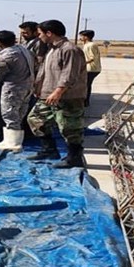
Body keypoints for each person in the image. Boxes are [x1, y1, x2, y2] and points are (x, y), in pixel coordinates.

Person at [26, 19, 88, 168]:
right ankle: (49, 150)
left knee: (70, 128)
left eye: (40, 34)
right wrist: (39, 88)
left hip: (67, 97)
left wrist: (58, 91)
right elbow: (45, 71)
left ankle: (74, 158)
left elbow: (69, 74)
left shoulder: (69, 50)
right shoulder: (51, 49)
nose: (39, 37)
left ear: (49, 33)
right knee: (35, 119)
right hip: (48, 95)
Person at [78, 29, 102, 107]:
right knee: (87, 85)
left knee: (86, 85)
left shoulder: (91, 45)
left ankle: (85, 101)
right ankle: (85, 101)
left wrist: (82, 63)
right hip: (89, 69)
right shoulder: (87, 45)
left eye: (81, 36)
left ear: (86, 37)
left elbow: (92, 58)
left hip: (91, 69)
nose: (80, 38)